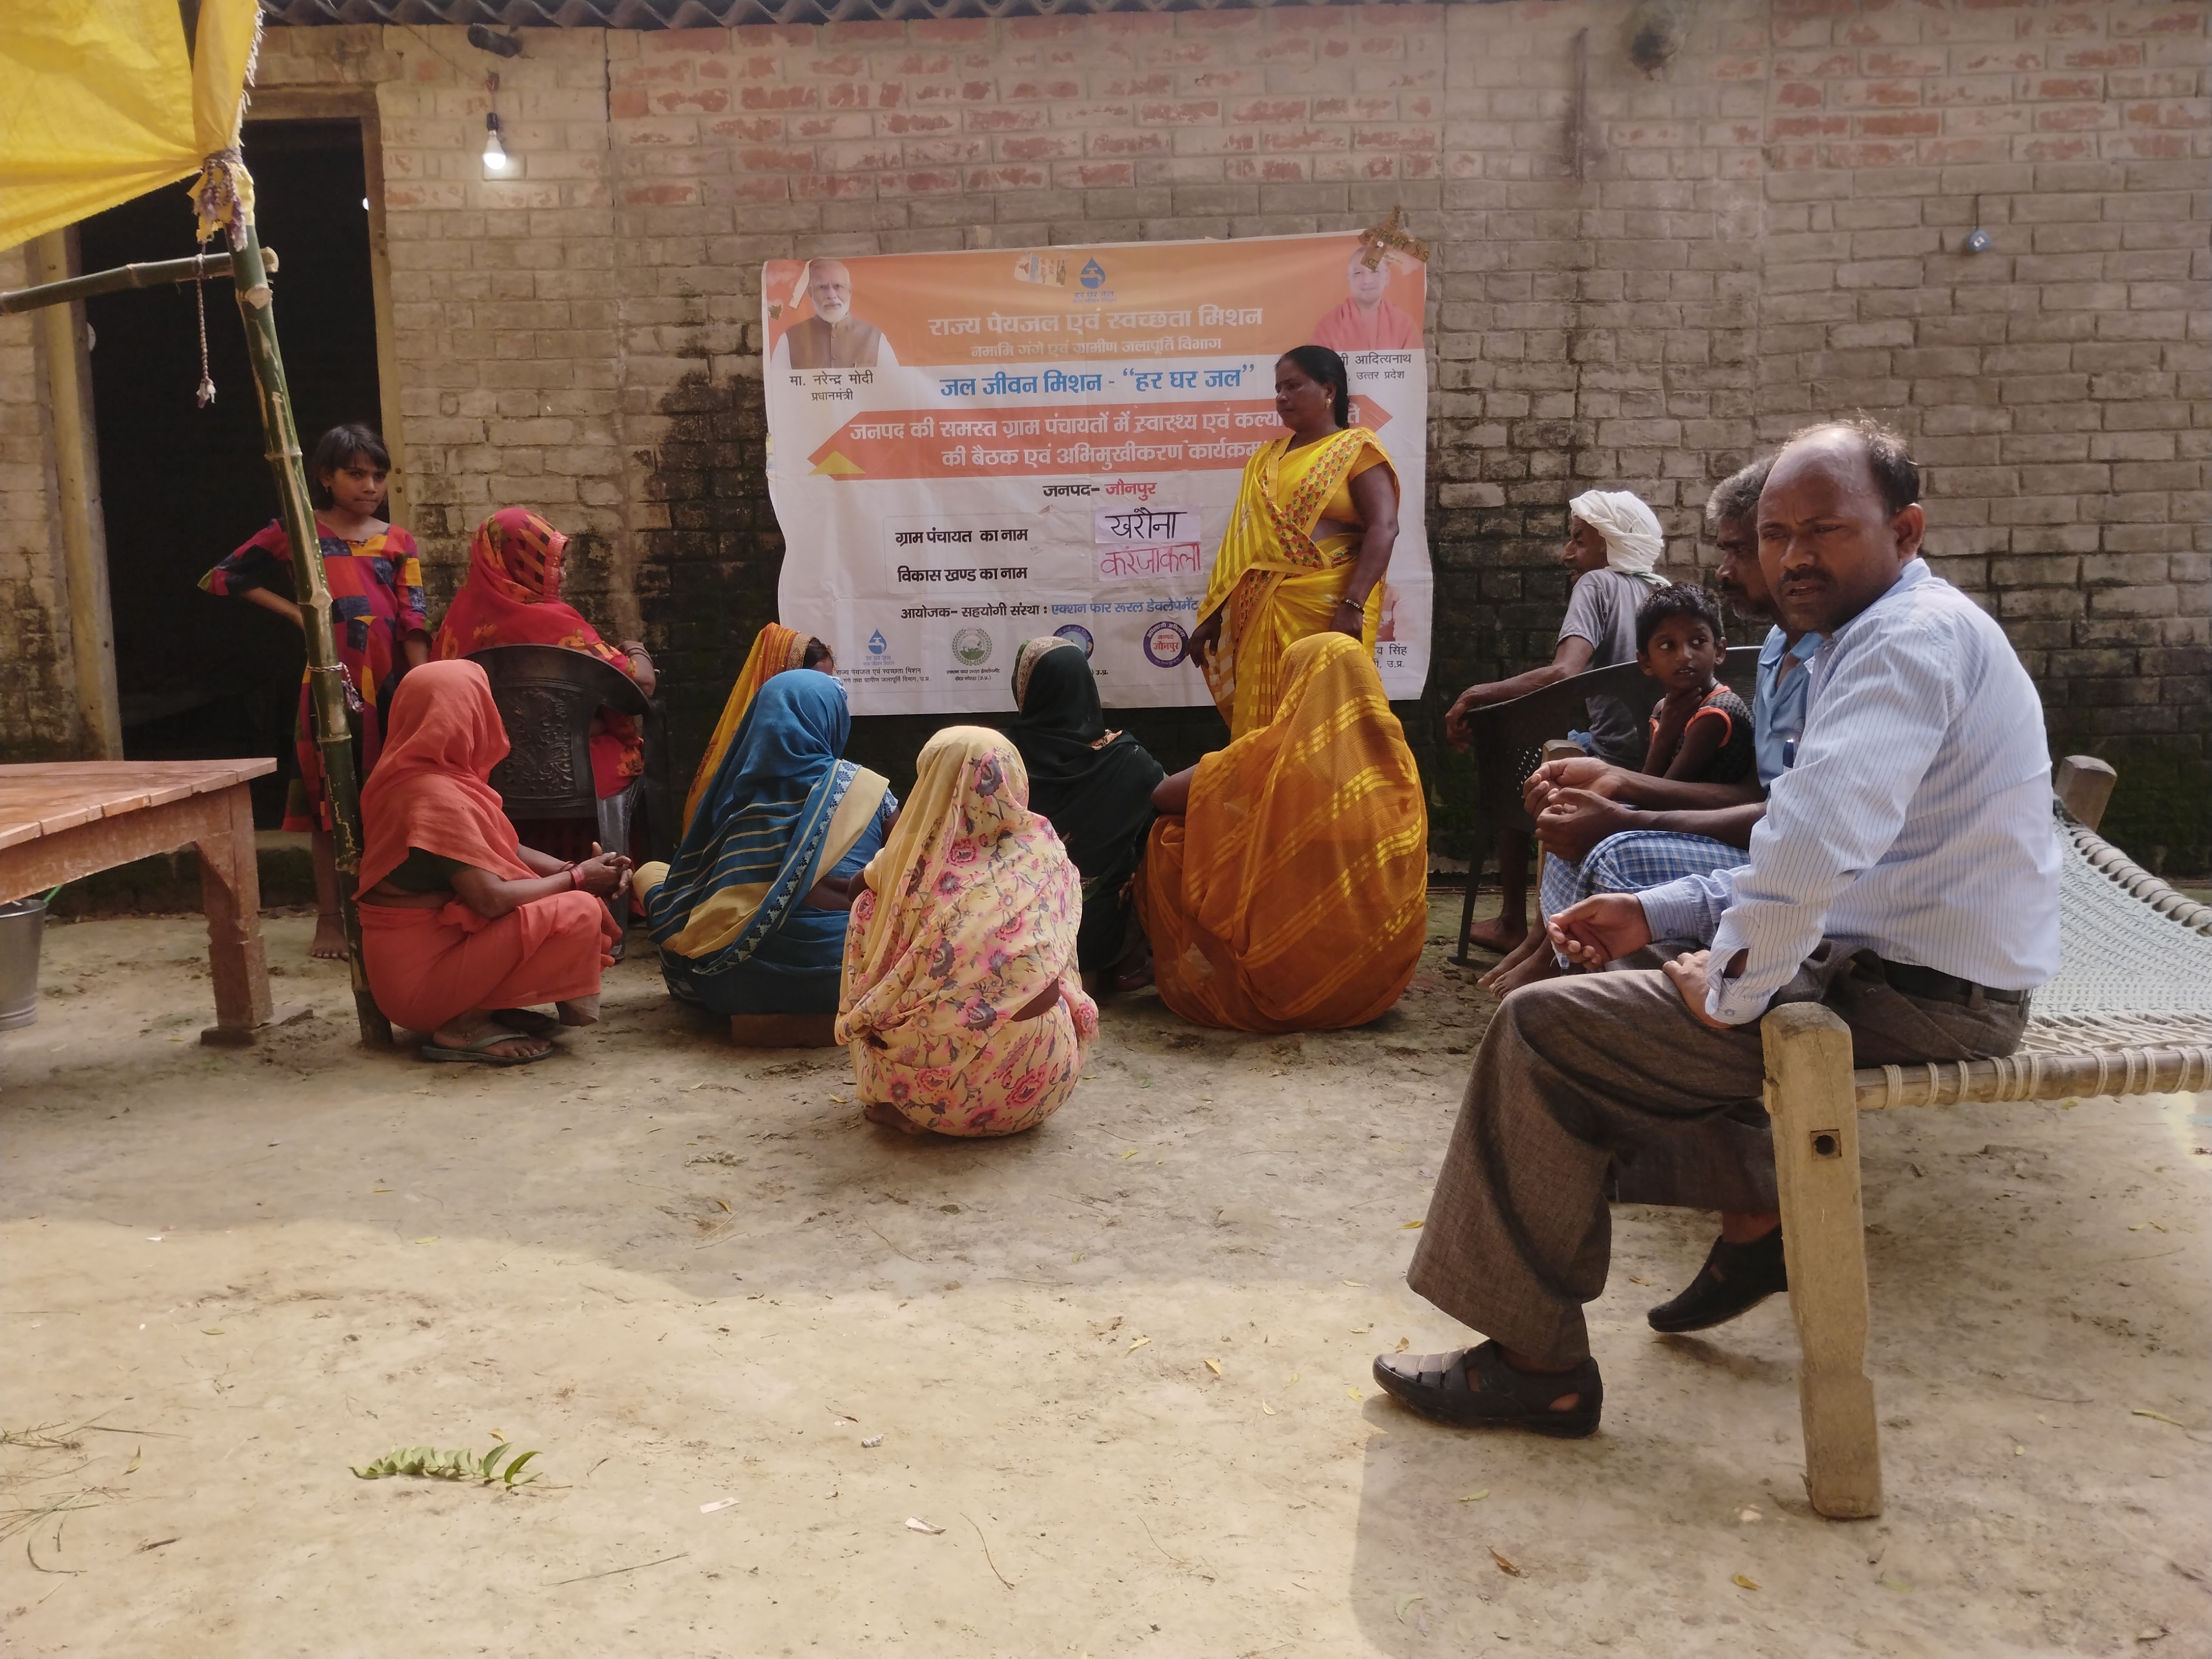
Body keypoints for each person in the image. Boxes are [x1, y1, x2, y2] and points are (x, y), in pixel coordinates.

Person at [1373, 419, 2062, 1438]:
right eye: (1776, 534)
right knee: (1621, 990)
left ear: (1906, 531)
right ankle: (1756, 1215)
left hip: (1920, 998)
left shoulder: (1904, 645)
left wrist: (1730, 982)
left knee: (1541, 1034)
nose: (1792, 558)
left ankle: (1536, 1364)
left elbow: (1812, 847)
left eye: (1824, 530)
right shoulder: (1869, 638)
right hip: (1892, 966)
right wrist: (1654, 913)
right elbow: (1813, 849)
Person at [1484, 459, 1823, 995]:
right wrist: (1615, 782)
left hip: (1798, 862)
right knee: (1581, 822)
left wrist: (1624, 808)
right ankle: (1549, 950)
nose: (1724, 572)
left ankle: (1575, 975)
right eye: (1726, 551)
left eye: (1742, 550)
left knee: (1614, 848)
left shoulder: (1827, 662)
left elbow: (1800, 824)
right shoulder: (1776, 647)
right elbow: (1758, 794)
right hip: (1756, 831)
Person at [200, 423, 429, 959]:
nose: (370, 486)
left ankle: (392, 915)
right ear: (326, 477)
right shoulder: (298, 531)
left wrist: (424, 689)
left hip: (391, 687)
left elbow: (414, 620)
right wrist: (299, 614)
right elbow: (221, 577)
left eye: (378, 476)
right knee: (329, 804)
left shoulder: (399, 541)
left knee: (396, 802)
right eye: (356, 474)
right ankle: (330, 919)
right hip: (328, 686)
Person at [1136, 632, 1427, 1032]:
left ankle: (1189, 965)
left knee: (1168, 834)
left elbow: (1163, 795)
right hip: (1371, 990)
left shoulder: (1272, 753)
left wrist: (1231, 806)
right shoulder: (1398, 762)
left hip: (1279, 989)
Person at [355, 661, 630, 1066]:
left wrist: (576, 870)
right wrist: (577, 879)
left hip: (428, 969)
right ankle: (463, 1024)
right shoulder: (432, 796)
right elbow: (490, 900)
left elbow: (506, 847)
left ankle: (486, 1006)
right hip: (421, 987)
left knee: (571, 900)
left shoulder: (415, 777)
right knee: (576, 910)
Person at [832, 728, 1097, 1138]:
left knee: (869, 905)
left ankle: (893, 1082)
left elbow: (855, 891)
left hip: (934, 1102)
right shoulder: (1044, 851)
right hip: (1044, 1082)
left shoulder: (910, 856)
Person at [1442, 489, 1671, 952]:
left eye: (1579, 540)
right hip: (1663, 763)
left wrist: (1475, 694)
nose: (1567, 553)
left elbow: (1565, 672)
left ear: (1613, 544)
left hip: (1612, 758)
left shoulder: (1597, 584)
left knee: (1515, 761)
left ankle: (1512, 921)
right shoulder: (1665, 591)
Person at [637, 671, 896, 1025]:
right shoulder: (868, 788)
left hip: (738, 984)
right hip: (855, 980)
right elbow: (911, 866)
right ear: (832, 721)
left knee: (652, 876)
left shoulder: (732, 793)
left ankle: (687, 984)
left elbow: (698, 884)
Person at [1188, 346, 1400, 738]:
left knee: (1325, 721)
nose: (1282, 397)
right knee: (1265, 728)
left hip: (1328, 608)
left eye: (1293, 386)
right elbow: (1244, 548)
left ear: (1329, 391)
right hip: (1258, 608)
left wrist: (1352, 604)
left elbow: (1384, 527)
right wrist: (1214, 614)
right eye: (1278, 389)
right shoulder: (1264, 460)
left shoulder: (1356, 449)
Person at [433, 507, 658, 863]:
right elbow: (641, 683)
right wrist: (636, 649)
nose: (562, 575)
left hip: (489, 775)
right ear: (522, 564)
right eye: (553, 565)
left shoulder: (454, 626)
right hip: (576, 772)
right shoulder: (557, 623)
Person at [1001, 637, 1165, 989]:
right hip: (1099, 940)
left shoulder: (999, 758)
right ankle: (1129, 963)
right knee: (1165, 839)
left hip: (1011, 934)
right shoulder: (1129, 760)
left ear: (1026, 688)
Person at [682, 623, 837, 836]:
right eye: (817, 685)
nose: (829, 696)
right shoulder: (746, 771)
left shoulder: (833, 766)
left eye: (831, 684)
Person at [771, 259, 896, 371]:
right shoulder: (790, 339)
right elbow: (777, 386)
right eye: (822, 287)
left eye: (838, 286)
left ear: (850, 290)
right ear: (810, 293)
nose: (831, 295)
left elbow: (892, 386)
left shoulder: (874, 338)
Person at [1309, 248, 1422, 352]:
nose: (1367, 281)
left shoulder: (1404, 325)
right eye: (1358, 273)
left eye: (1375, 271)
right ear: (1349, 279)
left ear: (1387, 277)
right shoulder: (1328, 326)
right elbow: (1318, 366)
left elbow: (1414, 366)